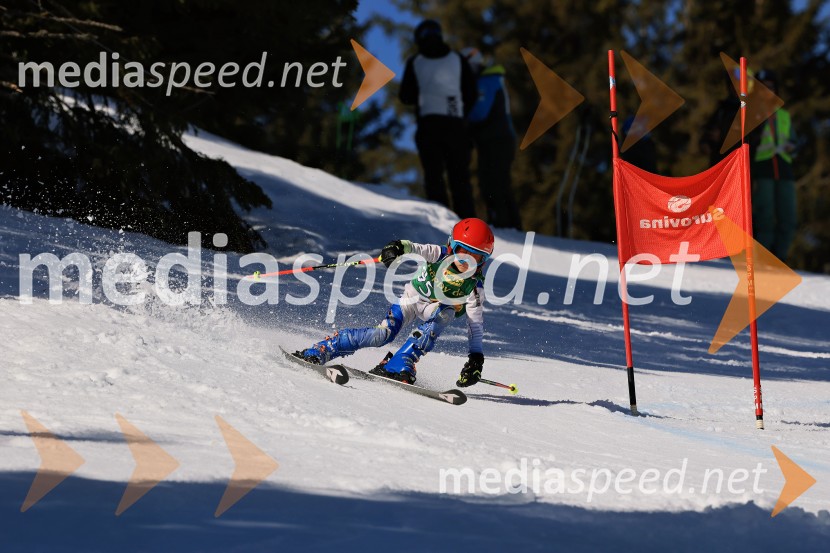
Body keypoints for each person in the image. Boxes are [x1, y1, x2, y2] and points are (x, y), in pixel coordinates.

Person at [299, 218, 494, 387]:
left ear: (483, 260)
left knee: (446, 312)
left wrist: (476, 357)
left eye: (476, 257)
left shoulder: (475, 286)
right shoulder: (439, 254)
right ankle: (326, 348)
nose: (466, 261)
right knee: (382, 335)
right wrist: (396, 247)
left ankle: (401, 361)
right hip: (412, 299)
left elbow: (475, 324)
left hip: (434, 310)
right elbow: (414, 248)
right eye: (462, 252)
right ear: (452, 245)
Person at [399, 20, 478, 219]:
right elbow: (472, 93)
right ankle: (467, 223)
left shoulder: (415, 61)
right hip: (455, 122)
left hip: (429, 122)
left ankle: (441, 221)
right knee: (460, 177)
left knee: (434, 175)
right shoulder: (457, 59)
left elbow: (405, 96)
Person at [461, 47, 523, 230]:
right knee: (493, 181)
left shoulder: (488, 81)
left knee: (495, 181)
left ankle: (504, 224)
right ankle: (507, 223)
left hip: (497, 140)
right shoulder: (489, 79)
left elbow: (480, 113)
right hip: (493, 140)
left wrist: (462, 121)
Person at [751, 69, 797, 262]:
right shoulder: (751, 113)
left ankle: (781, 259)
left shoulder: (784, 115)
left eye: (770, 87)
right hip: (763, 169)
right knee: (765, 217)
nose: (767, 91)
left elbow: (794, 140)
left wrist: (791, 146)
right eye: (763, 88)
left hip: (784, 171)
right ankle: (764, 258)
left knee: (788, 218)